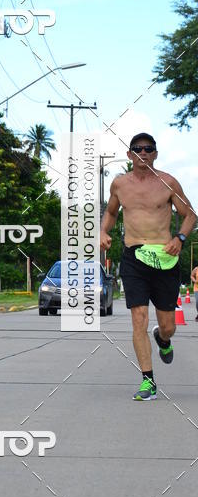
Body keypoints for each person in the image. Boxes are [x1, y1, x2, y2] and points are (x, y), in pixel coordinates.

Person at [100, 132, 196, 401]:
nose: (143, 153)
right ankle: (148, 381)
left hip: (165, 258)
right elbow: (110, 213)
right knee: (138, 317)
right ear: (130, 155)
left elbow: (190, 215)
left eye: (148, 149)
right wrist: (102, 231)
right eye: (138, 149)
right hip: (133, 257)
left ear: (155, 154)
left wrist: (180, 237)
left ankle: (163, 339)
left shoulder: (168, 183)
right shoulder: (119, 185)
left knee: (168, 325)